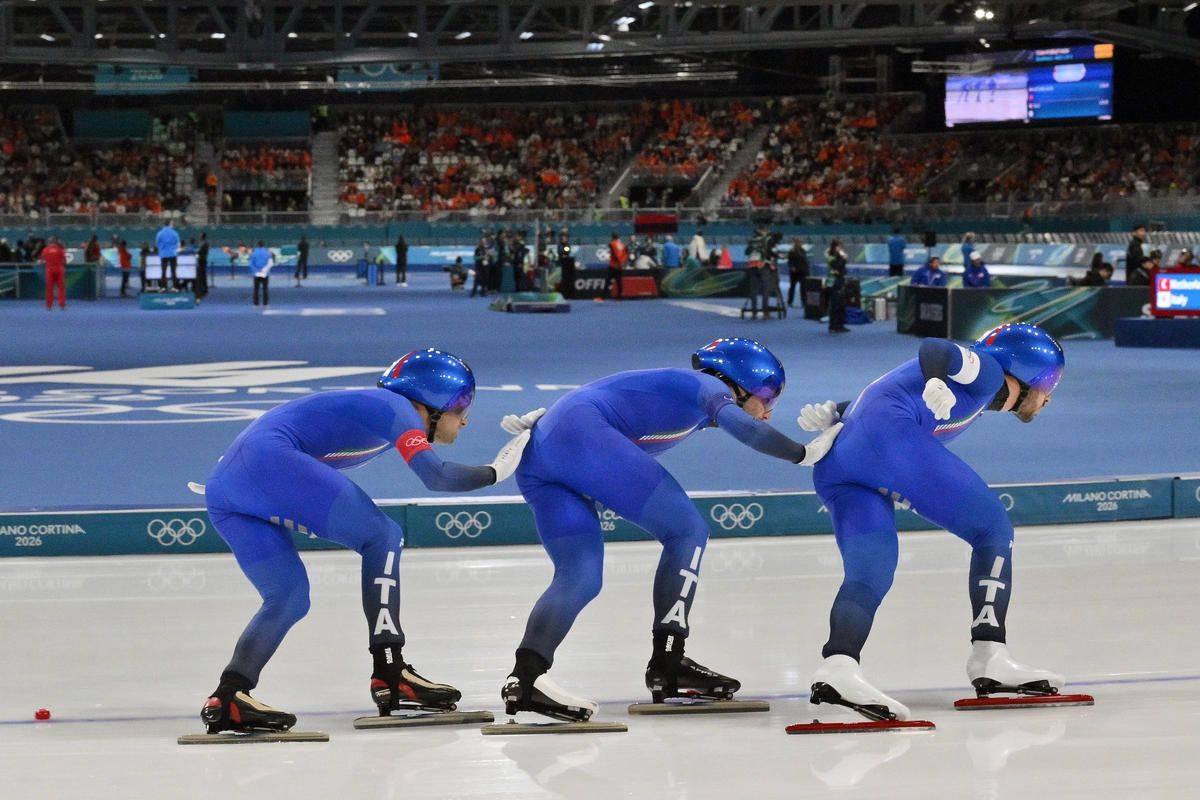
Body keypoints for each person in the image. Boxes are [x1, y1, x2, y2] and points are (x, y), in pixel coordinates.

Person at [497, 338, 843, 721]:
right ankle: (668, 661)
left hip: (541, 454)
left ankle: (526, 677)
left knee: (579, 576)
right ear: (737, 384)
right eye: (767, 397)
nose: (768, 412)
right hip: (581, 435)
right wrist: (804, 453)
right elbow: (748, 431)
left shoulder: (691, 399)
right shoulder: (708, 387)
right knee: (687, 531)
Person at [198, 350, 532, 734]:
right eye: (461, 405)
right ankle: (390, 670)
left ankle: (229, 694)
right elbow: (436, 477)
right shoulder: (398, 408)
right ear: (432, 400)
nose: (465, 419)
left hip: (225, 487)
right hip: (266, 462)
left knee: (288, 597)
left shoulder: (386, 409)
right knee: (383, 535)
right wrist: (496, 471)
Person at [796, 323, 1068, 721]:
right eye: (1050, 382)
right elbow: (936, 347)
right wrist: (936, 379)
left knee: (870, 572)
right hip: (889, 443)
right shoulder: (989, 373)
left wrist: (839, 409)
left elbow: (888, 394)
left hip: (837, 461)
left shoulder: (969, 393)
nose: (1049, 396)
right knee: (992, 530)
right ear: (1025, 372)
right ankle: (990, 654)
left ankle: (838, 666)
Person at [826, 240, 849, 333]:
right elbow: (837, 266)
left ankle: (840, 325)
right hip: (834, 283)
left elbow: (842, 269)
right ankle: (833, 326)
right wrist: (843, 259)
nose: (841, 248)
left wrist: (843, 259)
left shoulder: (838, 257)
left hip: (840, 281)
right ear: (834, 247)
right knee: (834, 305)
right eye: (839, 246)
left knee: (841, 305)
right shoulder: (830, 257)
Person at [40, 236, 67, 310]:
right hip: (59, 269)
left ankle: (49, 306)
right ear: (56, 242)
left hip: (49, 270)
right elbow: (64, 260)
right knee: (61, 288)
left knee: (49, 288)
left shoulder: (45, 250)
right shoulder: (60, 249)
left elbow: (42, 261)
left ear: (49, 242)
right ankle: (62, 305)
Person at [602, 232, 627, 303]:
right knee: (619, 282)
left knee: (608, 281)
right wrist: (622, 262)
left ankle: (603, 297)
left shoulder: (612, 243)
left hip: (613, 266)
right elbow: (625, 254)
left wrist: (618, 260)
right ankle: (619, 298)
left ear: (612, 237)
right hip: (619, 266)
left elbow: (612, 249)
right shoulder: (622, 244)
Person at [155, 219, 181, 290]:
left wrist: (162, 249)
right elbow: (178, 244)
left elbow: (157, 244)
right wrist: (174, 248)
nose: (173, 225)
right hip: (173, 254)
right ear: (170, 224)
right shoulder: (175, 233)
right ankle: (175, 287)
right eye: (172, 224)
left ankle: (163, 287)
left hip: (163, 255)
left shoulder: (159, 233)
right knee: (173, 271)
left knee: (163, 272)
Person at [786, 237, 810, 308]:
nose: (800, 243)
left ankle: (804, 302)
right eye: (798, 242)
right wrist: (792, 267)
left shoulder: (803, 251)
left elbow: (805, 261)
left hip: (803, 272)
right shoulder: (791, 251)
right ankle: (790, 301)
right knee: (792, 287)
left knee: (803, 288)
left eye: (801, 242)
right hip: (794, 273)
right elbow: (789, 261)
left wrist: (807, 270)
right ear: (795, 243)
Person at [250, 241, 273, 306]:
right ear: (263, 245)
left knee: (256, 289)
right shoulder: (267, 253)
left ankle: (256, 304)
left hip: (256, 274)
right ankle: (266, 303)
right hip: (265, 273)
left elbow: (251, 264)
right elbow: (270, 263)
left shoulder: (254, 254)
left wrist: (256, 270)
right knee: (265, 288)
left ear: (257, 245)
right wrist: (264, 270)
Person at [196, 233, 210, 299]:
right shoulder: (204, 243)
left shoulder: (204, 243)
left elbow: (199, 251)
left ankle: (204, 289)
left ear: (202, 237)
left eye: (200, 236)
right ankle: (204, 288)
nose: (199, 237)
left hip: (202, 260)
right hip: (202, 260)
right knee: (202, 275)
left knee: (202, 275)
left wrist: (195, 252)